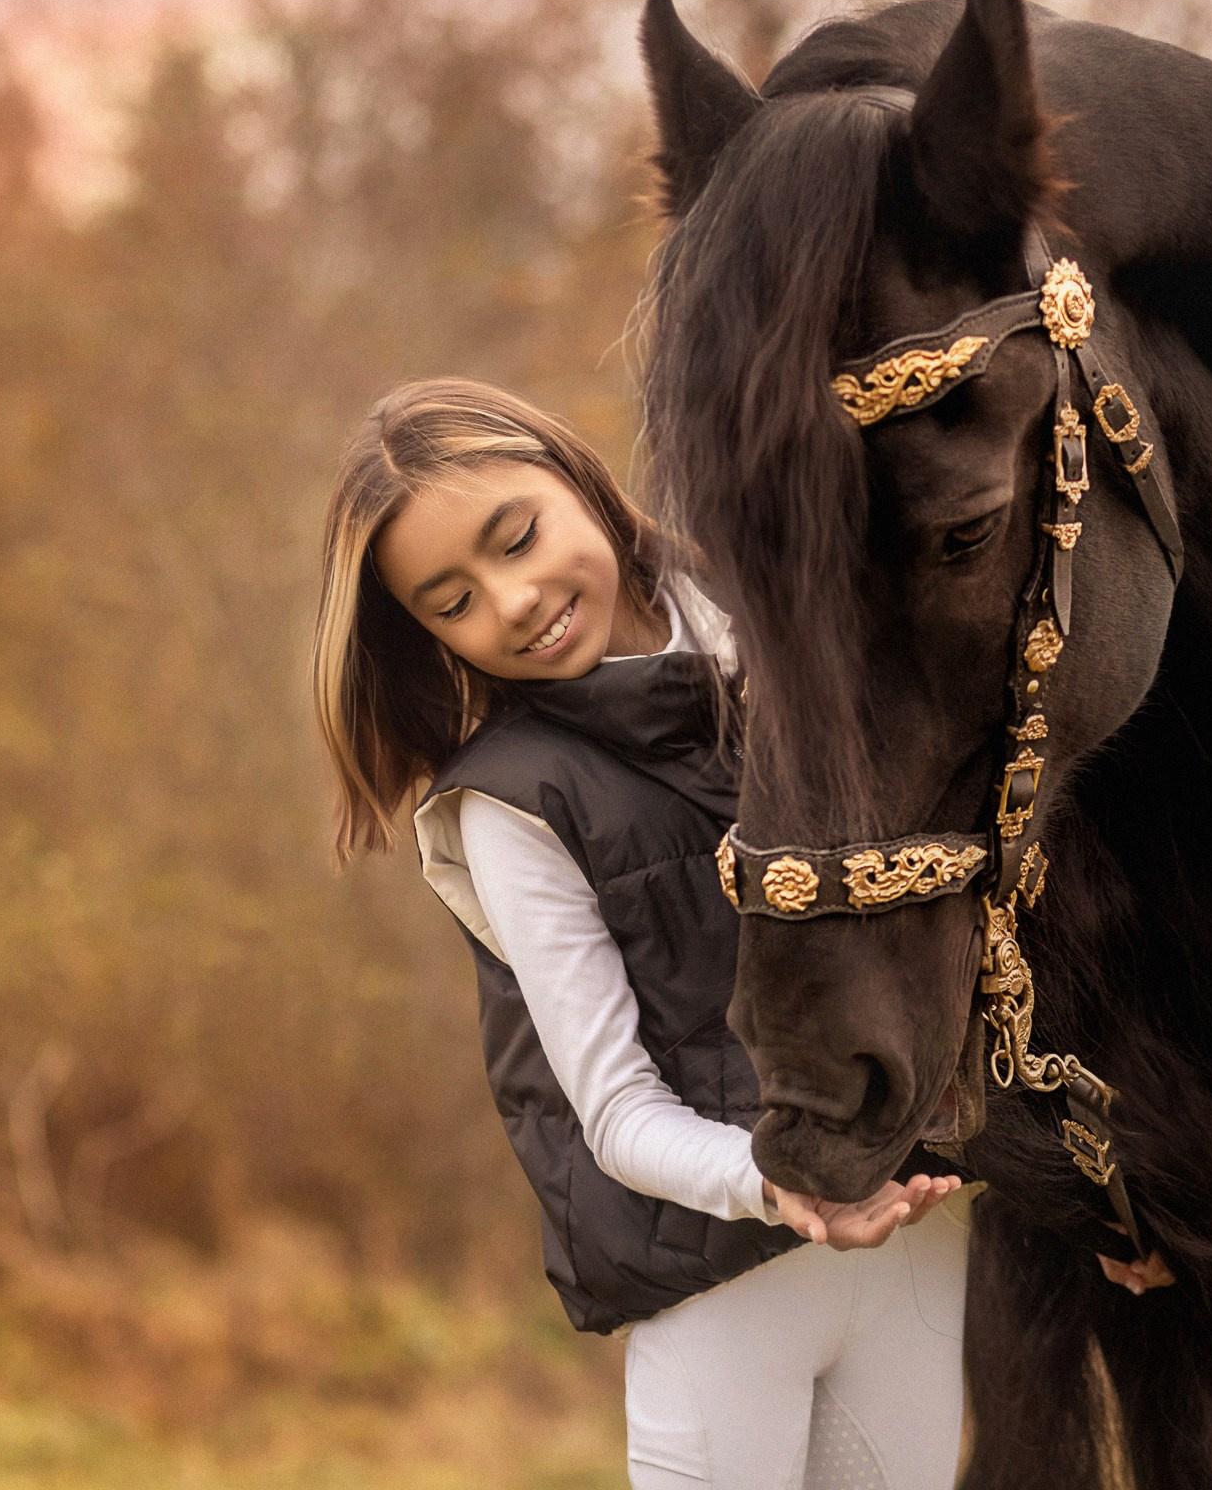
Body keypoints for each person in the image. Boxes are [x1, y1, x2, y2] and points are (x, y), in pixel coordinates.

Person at [315, 376, 971, 1489]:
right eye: (454, 600)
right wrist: (784, 1185)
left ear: (575, 477)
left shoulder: (791, 621)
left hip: (922, 1245)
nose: (513, 600)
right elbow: (615, 1112)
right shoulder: (514, 803)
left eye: (515, 537)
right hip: (719, 1285)